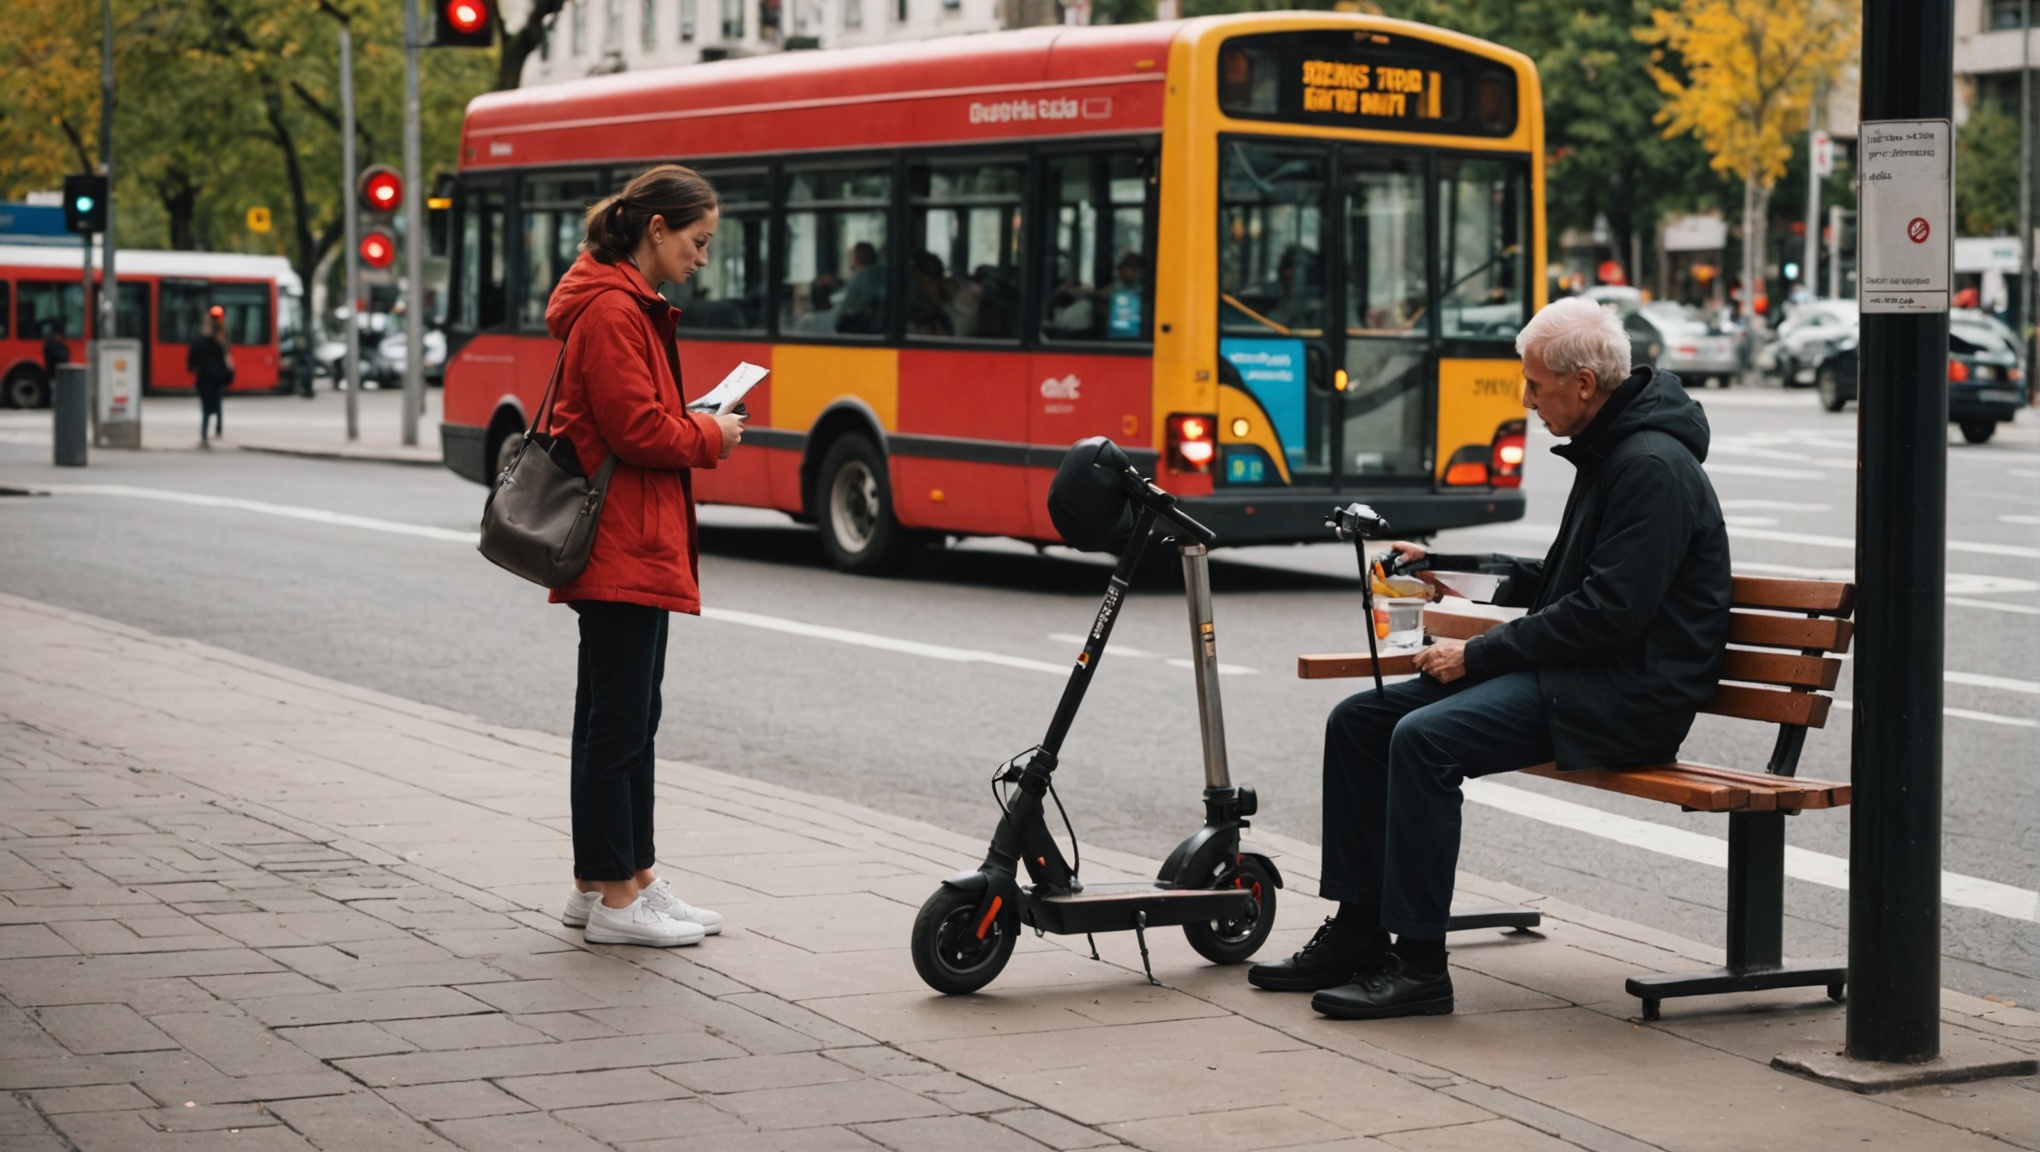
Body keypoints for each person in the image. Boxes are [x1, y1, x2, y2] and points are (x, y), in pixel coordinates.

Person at [1247, 295, 1731, 1019]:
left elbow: (1607, 615)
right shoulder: (1617, 451)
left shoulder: (1651, 467)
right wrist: (1446, 563)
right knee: (1360, 722)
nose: (1527, 399)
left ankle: (1417, 966)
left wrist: (1477, 657)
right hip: (1580, 674)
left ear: (1584, 385)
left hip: (1627, 695)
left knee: (1425, 738)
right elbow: (1563, 579)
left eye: (1535, 385)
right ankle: (1357, 931)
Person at [545, 164, 749, 949]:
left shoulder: (626, 305)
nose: (702, 258)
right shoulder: (611, 312)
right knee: (620, 723)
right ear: (655, 230)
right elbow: (636, 431)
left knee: (619, 715)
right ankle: (619, 904)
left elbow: (637, 415)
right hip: (620, 539)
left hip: (631, 536)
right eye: (696, 242)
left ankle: (613, 879)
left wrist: (689, 418)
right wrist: (711, 434)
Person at [187, 308, 233, 447]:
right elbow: (226, 357)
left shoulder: (199, 342)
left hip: (205, 378)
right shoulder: (219, 341)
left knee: (206, 406)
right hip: (216, 377)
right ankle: (214, 429)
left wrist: (193, 367)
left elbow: (191, 360)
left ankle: (205, 433)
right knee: (216, 403)